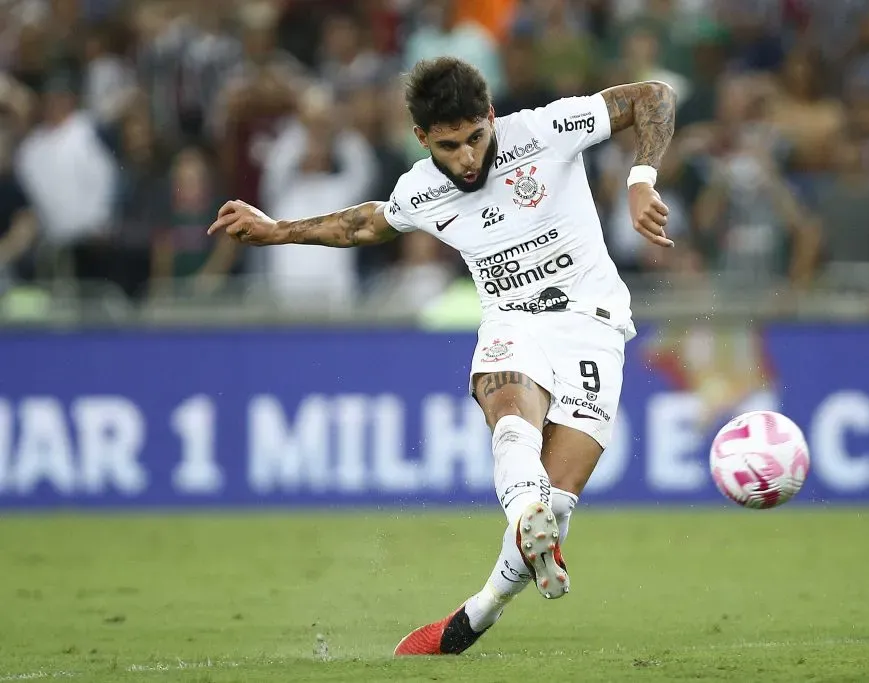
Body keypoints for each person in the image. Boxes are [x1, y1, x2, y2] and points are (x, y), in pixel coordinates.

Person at [207, 56, 675, 655]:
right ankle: (527, 509)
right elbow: (363, 225)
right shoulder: (421, 189)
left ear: (490, 116)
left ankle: (477, 613)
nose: (468, 158)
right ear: (422, 138)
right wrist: (278, 230)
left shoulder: (547, 130)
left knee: (557, 504)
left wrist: (641, 181)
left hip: (594, 323)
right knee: (509, 406)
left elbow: (652, 96)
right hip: (512, 321)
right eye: (450, 146)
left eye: (477, 137)